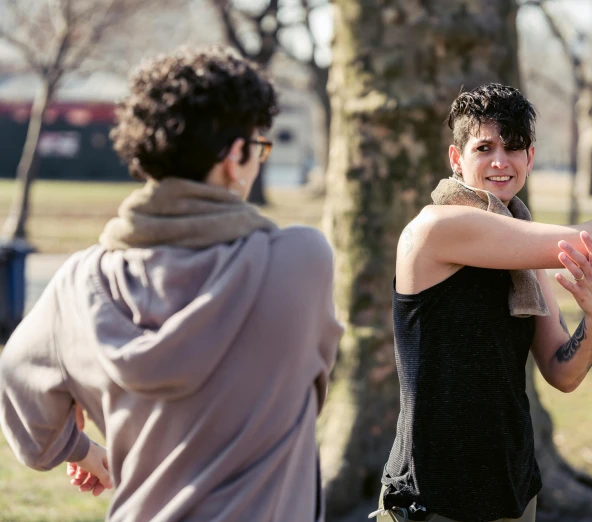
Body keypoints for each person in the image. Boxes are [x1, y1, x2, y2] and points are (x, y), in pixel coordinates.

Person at [0, 46, 342, 522]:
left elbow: (27, 418)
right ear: (236, 154)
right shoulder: (301, 260)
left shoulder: (79, 283)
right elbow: (313, 389)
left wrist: (79, 447)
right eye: (259, 148)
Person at [374, 83, 592, 522]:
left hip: (514, 493)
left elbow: (562, 372)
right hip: (436, 499)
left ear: (530, 158)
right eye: (484, 147)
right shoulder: (436, 228)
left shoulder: (523, 253)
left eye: (514, 147)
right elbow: (587, 243)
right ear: (456, 159)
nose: (501, 161)